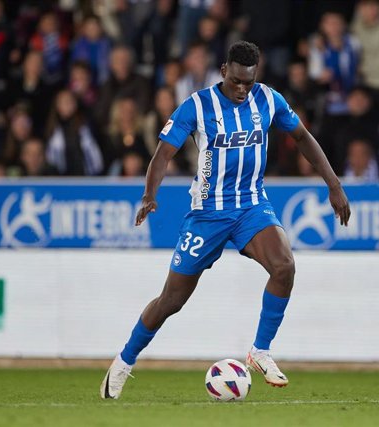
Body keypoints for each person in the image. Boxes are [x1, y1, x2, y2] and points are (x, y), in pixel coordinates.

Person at [100, 41, 350, 400]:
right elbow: (163, 153)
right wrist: (149, 195)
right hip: (207, 215)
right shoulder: (198, 105)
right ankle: (123, 362)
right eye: (235, 81)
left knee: (284, 267)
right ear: (223, 72)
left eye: (248, 82)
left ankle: (259, 351)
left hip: (251, 206)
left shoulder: (269, 99)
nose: (242, 89)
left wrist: (334, 184)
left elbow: (302, 137)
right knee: (171, 300)